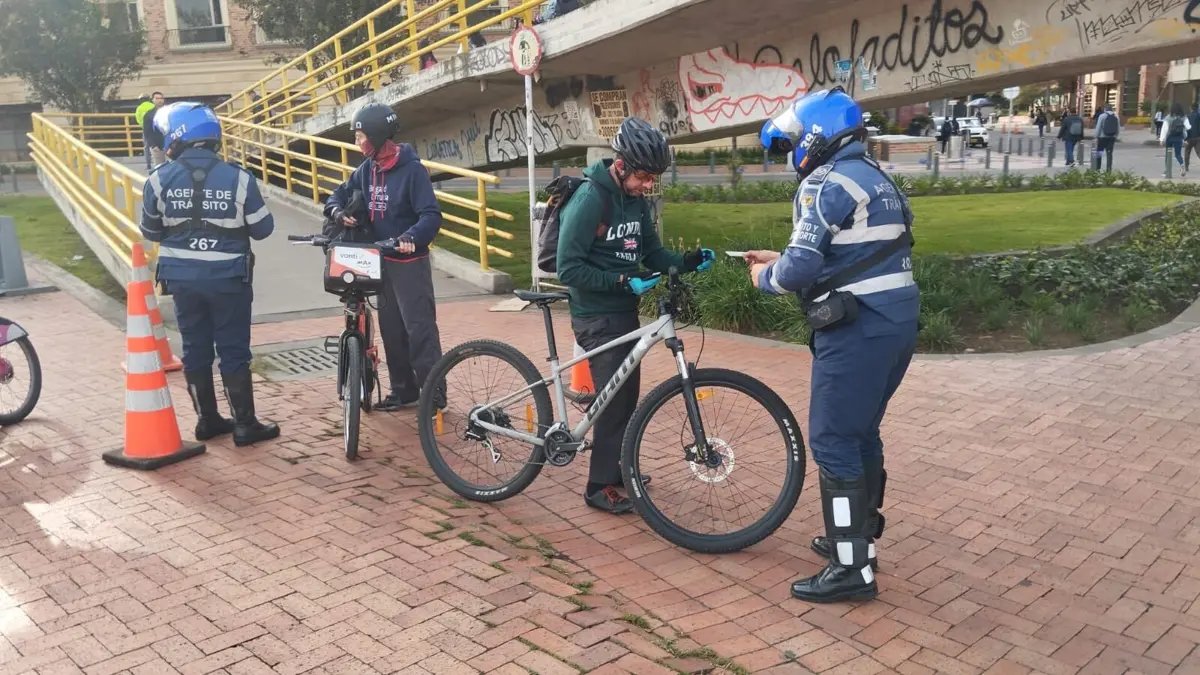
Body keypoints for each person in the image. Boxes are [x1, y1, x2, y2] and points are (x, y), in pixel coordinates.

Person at [748, 87, 919, 603]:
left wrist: (762, 276)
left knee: (832, 439)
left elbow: (800, 270)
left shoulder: (823, 183)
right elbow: (851, 250)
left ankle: (851, 570)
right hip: (897, 323)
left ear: (817, 136)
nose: (794, 153)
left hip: (857, 328)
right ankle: (858, 541)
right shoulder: (877, 176)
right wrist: (782, 255)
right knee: (861, 433)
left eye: (796, 140)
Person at [555, 117, 714, 514]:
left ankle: (620, 469)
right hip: (595, 315)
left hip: (623, 314)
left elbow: (655, 256)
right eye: (643, 176)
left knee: (625, 397)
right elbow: (567, 268)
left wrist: (689, 261)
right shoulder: (593, 198)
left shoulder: (637, 203)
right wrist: (623, 281)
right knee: (612, 402)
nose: (648, 185)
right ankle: (597, 486)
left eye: (653, 178)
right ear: (621, 166)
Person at [139, 103, 280, 446]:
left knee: (195, 347)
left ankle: (207, 420)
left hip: (183, 281)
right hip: (228, 279)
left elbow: (150, 231)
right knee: (233, 349)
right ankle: (245, 425)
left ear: (177, 136)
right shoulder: (239, 177)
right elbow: (263, 229)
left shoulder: (157, 180)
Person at [324, 103, 445, 411]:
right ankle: (404, 391)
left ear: (377, 136)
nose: (356, 143)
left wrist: (410, 238)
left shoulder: (412, 171)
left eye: (360, 136)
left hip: (409, 264)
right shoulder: (368, 169)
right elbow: (337, 194)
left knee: (419, 331)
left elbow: (430, 215)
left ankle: (434, 394)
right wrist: (338, 213)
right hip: (379, 261)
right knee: (391, 330)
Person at [1161, 102, 1192, 178]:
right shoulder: (1184, 117)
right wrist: (1185, 139)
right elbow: (1188, 128)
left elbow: (1164, 129)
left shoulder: (1168, 117)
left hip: (1170, 138)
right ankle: (1182, 165)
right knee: (1178, 154)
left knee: (1168, 154)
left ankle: (1166, 170)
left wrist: (1162, 139)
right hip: (1179, 138)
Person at [140, 91, 166, 170]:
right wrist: (153, 145)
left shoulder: (169, 111)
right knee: (159, 168)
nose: (159, 100)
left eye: (161, 98)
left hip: (170, 144)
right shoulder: (149, 114)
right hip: (157, 145)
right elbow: (147, 131)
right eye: (157, 98)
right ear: (152, 100)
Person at [1094, 105, 1120, 173]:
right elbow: (1118, 128)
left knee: (1099, 153)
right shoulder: (1116, 116)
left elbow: (1098, 127)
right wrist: (1116, 136)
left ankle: (1097, 168)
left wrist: (1096, 136)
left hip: (1102, 138)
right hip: (1111, 138)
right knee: (1109, 154)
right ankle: (1108, 170)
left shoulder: (1102, 116)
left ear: (1105, 109)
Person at [1185, 103, 1200, 175]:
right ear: (1197, 108)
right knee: (1199, 152)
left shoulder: (1188, 116)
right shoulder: (1199, 115)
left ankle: (1186, 166)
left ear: (1191, 108)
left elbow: (1186, 127)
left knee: (1187, 152)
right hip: (1197, 137)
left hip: (1189, 137)